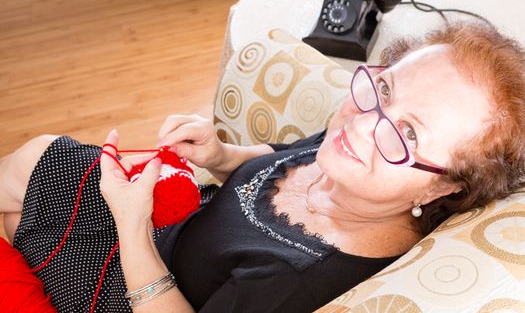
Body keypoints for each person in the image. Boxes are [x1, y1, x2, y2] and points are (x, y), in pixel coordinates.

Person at [1, 21, 525, 312]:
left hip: (137, 292)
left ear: (444, 186)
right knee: (39, 156)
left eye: (407, 133)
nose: (364, 122)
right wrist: (222, 155)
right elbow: (276, 161)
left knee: (13, 213)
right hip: (164, 224)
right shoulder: (359, 148)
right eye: (384, 89)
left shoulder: (295, 284)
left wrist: (131, 230)